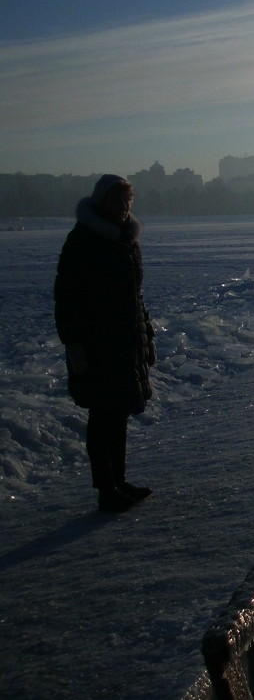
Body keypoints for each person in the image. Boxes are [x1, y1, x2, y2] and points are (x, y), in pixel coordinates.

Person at [54, 175, 157, 512]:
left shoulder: (127, 241)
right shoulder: (83, 240)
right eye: (116, 200)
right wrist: (74, 344)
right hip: (97, 341)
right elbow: (67, 296)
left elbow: (134, 296)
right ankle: (106, 488)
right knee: (103, 414)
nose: (123, 206)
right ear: (101, 202)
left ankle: (119, 480)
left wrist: (146, 333)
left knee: (119, 412)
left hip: (125, 339)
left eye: (127, 200)